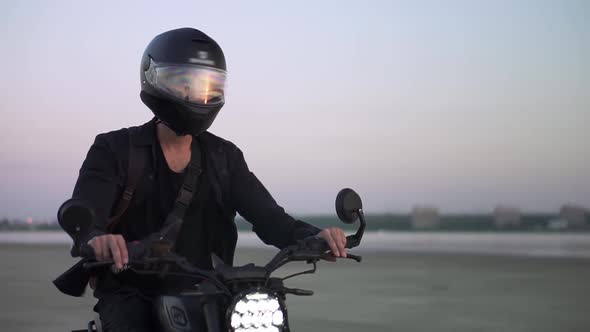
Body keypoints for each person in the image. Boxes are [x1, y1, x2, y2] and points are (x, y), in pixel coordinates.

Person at [68, 27, 347, 331]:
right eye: (185, 84)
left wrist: (315, 237)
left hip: (212, 290)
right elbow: (87, 210)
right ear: (154, 78)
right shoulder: (115, 149)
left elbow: (270, 219)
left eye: (209, 85)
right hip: (132, 290)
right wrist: (96, 238)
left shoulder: (224, 157)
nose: (199, 96)